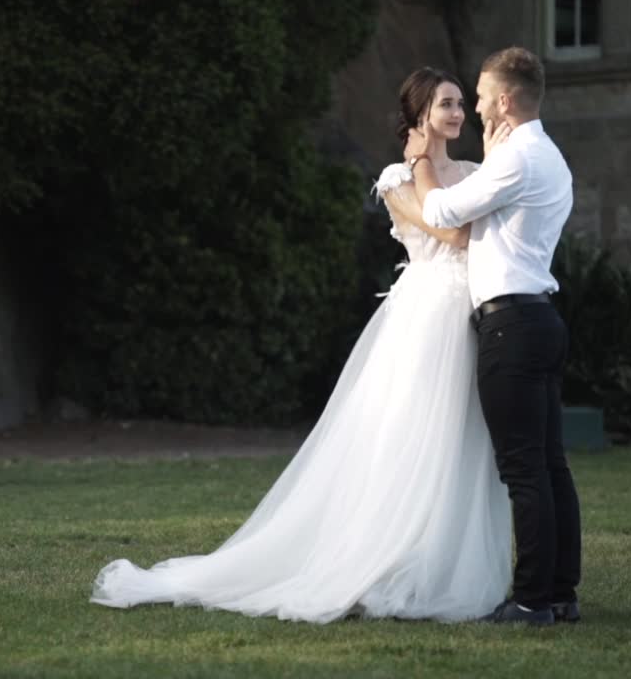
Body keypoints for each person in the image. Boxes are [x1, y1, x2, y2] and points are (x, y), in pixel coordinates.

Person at [90, 67, 513, 624]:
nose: (457, 114)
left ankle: (443, 563)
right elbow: (452, 234)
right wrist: (423, 168)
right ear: (418, 116)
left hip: (469, 318)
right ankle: (379, 562)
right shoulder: (396, 179)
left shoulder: (477, 172)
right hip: (422, 323)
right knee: (405, 440)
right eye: (445, 105)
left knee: (465, 443)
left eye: (461, 103)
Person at [403, 46, 581, 626]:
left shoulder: (517, 158)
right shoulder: (546, 154)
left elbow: (447, 210)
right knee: (550, 465)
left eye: (479, 96)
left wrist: (421, 162)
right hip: (541, 319)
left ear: (504, 100)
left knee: (524, 470)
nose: (475, 106)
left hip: (511, 326)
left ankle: (530, 600)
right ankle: (560, 594)